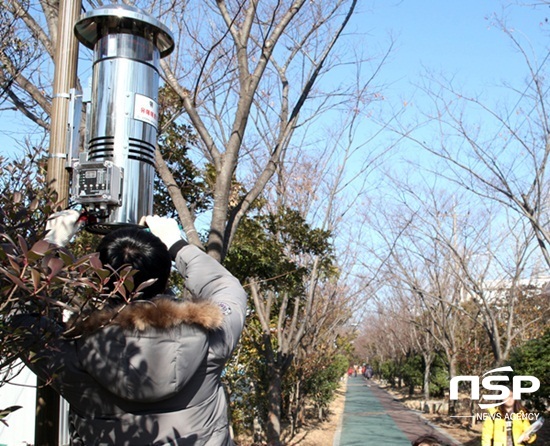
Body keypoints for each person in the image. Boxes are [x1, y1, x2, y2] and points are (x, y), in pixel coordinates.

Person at [16, 211, 248, 445]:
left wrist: (52, 244)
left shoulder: (71, 353)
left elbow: (19, 320)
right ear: (166, 277)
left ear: (100, 282)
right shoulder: (211, 338)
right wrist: (176, 244)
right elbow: (226, 287)